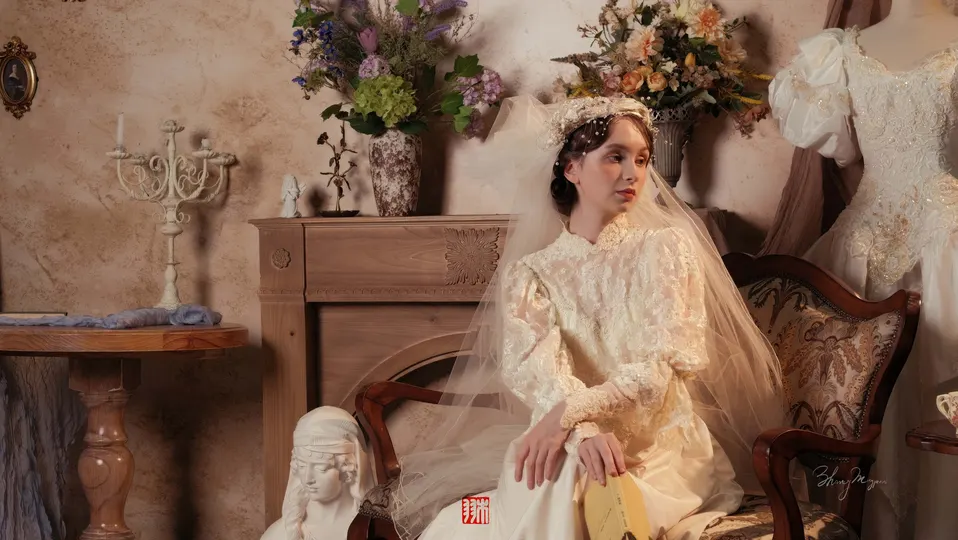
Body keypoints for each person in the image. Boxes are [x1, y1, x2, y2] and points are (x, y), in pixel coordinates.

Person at [386, 96, 788, 540]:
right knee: (513, 497)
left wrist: (567, 415)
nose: (634, 174)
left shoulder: (665, 249)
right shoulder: (530, 274)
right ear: (571, 168)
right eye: (615, 157)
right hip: (570, 442)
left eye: (641, 159)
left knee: (568, 487)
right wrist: (583, 432)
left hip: (660, 453)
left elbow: (661, 370)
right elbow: (543, 378)